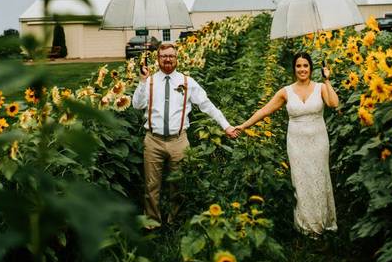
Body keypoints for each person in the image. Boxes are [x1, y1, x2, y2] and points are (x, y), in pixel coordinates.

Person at [132, 42, 238, 226]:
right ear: (158, 59)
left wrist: (226, 126)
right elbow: (137, 105)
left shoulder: (187, 82)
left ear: (176, 59)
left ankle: (176, 222)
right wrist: (142, 81)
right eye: (164, 56)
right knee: (151, 186)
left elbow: (206, 105)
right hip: (153, 140)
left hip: (179, 140)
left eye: (171, 56)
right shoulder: (149, 81)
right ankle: (152, 223)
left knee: (179, 185)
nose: (167, 59)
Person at [236, 52, 338, 235]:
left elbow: (333, 103)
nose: (302, 69)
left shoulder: (321, 87)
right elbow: (264, 110)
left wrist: (328, 80)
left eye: (305, 66)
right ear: (294, 69)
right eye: (298, 66)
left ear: (311, 68)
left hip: (319, 141)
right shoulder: (286, 91)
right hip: (297, 143)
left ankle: (323, 222)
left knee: (319, 177)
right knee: (301, 180)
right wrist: (243, 126)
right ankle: (307, 226)